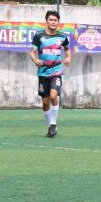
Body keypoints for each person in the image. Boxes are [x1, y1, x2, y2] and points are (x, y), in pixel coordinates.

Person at [28, 10, 71, 138]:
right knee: (45, 102)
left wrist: (68, 58)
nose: (53, 22)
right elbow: (32, 52)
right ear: (46, 21)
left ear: (58, 22)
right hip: (43, 73)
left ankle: (53, 124)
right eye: (51, 20)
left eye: (55, 20)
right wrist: (35, 60)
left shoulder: (62, 36)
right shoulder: (39, 35)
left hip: (56, 72)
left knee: (53, 96)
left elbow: (68, 50)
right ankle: (51, 125)